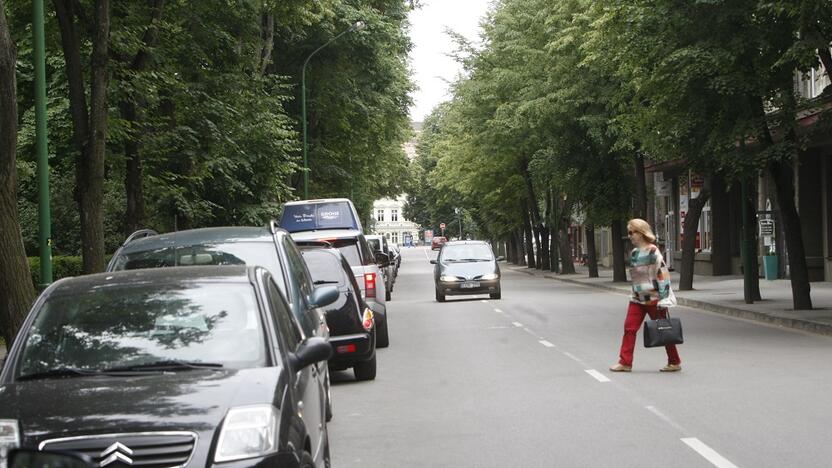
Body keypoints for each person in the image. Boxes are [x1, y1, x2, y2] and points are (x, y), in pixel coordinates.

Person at [610, 218, 682, 372]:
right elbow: (637, 277)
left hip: (654, 299)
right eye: (628, 232)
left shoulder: (653, 251)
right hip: (637, 299)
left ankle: (674, 361)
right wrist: (634, 293)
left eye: (631, 232)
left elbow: (662, 273)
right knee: (629, 328)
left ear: (641, 233)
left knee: (664, 329)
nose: (629, 236)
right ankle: (625, 362)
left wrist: (664, 297)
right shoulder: (634, 253)